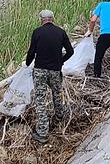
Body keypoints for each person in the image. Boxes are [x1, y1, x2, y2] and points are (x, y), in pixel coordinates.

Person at [25, 9, 74, 144]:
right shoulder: (61, 32)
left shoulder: (37, 32)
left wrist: (27, 64)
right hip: (55, 71)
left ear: (41, 20)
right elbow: (70, 51)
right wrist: (61, 61)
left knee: (40, 100)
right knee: (57, 95)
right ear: (53, 19)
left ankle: (42, 132)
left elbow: (31, 51)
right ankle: (58, 119)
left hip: (40, 70)